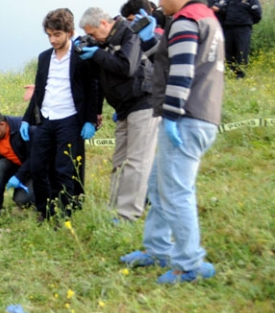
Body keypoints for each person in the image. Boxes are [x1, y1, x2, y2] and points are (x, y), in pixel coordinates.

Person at [120, 0, 225, 284]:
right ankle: (157, 248)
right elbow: (169, 62)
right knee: (158, 184)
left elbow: (182, 72)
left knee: (177, 192)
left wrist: (172, 114)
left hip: (187, 117)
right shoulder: (204, 19)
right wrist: (149, 41)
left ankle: (189, 264)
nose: (159, 2)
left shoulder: (184, 20)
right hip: (201, 115)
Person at [78, 7, 160, 222]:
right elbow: (98, 79)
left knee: (136, 162)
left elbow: (127, 68)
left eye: (93, 33)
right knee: (119, 162)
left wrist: (98, 54)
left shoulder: (129, 33)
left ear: (104, 23)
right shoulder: (103, 43)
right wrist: (91, 54)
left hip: (144, 102)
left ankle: (128, 215)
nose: (92, 38)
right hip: (123, 108)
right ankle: (114, 209)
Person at [20, 8, 98, 222]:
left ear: (69, 33)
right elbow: (40, 90)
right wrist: (27, 119)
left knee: (64, 169)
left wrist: (90, 120)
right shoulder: (44, 58)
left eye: (57, 34)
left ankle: (65, 214)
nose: (52, 40)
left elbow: (92, 88)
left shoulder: (81, 56)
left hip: (69, 119)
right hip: (46, 118)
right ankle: (45, 211)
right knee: (37, 167)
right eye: (49, 35)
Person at [213, 0, 262, 79]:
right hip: (229, 28)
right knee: (227, 53)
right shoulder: (229, 1)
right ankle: (233, 71)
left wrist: (246, 21)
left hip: (243, 28)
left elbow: (257, 14)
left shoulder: (251, 1)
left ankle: (241, 74)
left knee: (241, 51)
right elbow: (223, 11)